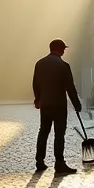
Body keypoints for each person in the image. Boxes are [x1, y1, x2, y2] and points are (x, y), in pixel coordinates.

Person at [32, 38, 81, 174]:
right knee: (59, 134)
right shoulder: (64, 66)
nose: (64, 51)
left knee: (44, 131)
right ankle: (59, 163)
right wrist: (77, 104)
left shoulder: (40, 64)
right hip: (59, 105)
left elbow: (36, 83)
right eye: (64, 49)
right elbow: (70, 87)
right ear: (60, 50)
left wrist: (38, 99)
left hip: (46, 104)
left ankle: (39, 161)